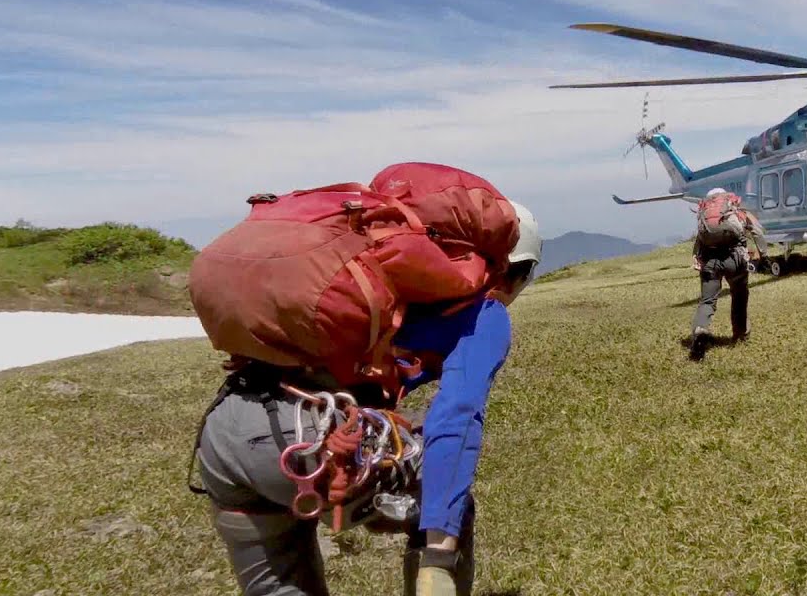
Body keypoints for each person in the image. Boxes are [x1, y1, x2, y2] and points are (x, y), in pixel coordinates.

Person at [191, 201, 543, 596]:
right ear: (517, 272)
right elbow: (456, 418)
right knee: (445, 499)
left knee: (278, 584)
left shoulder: (376, 279)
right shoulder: (483, 313)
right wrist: (439, 556)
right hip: (312, 441)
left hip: (223, 434)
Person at [689, 188, 764, 359]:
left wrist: (696, 258)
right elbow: (757, 232)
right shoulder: (736, 211)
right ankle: (740, 334)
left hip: (710, 262)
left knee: (707, 301)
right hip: (735, 261)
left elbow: (699, 241)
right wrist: (763, 256)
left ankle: (700, 330)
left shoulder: (705, 216)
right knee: (739, 295)